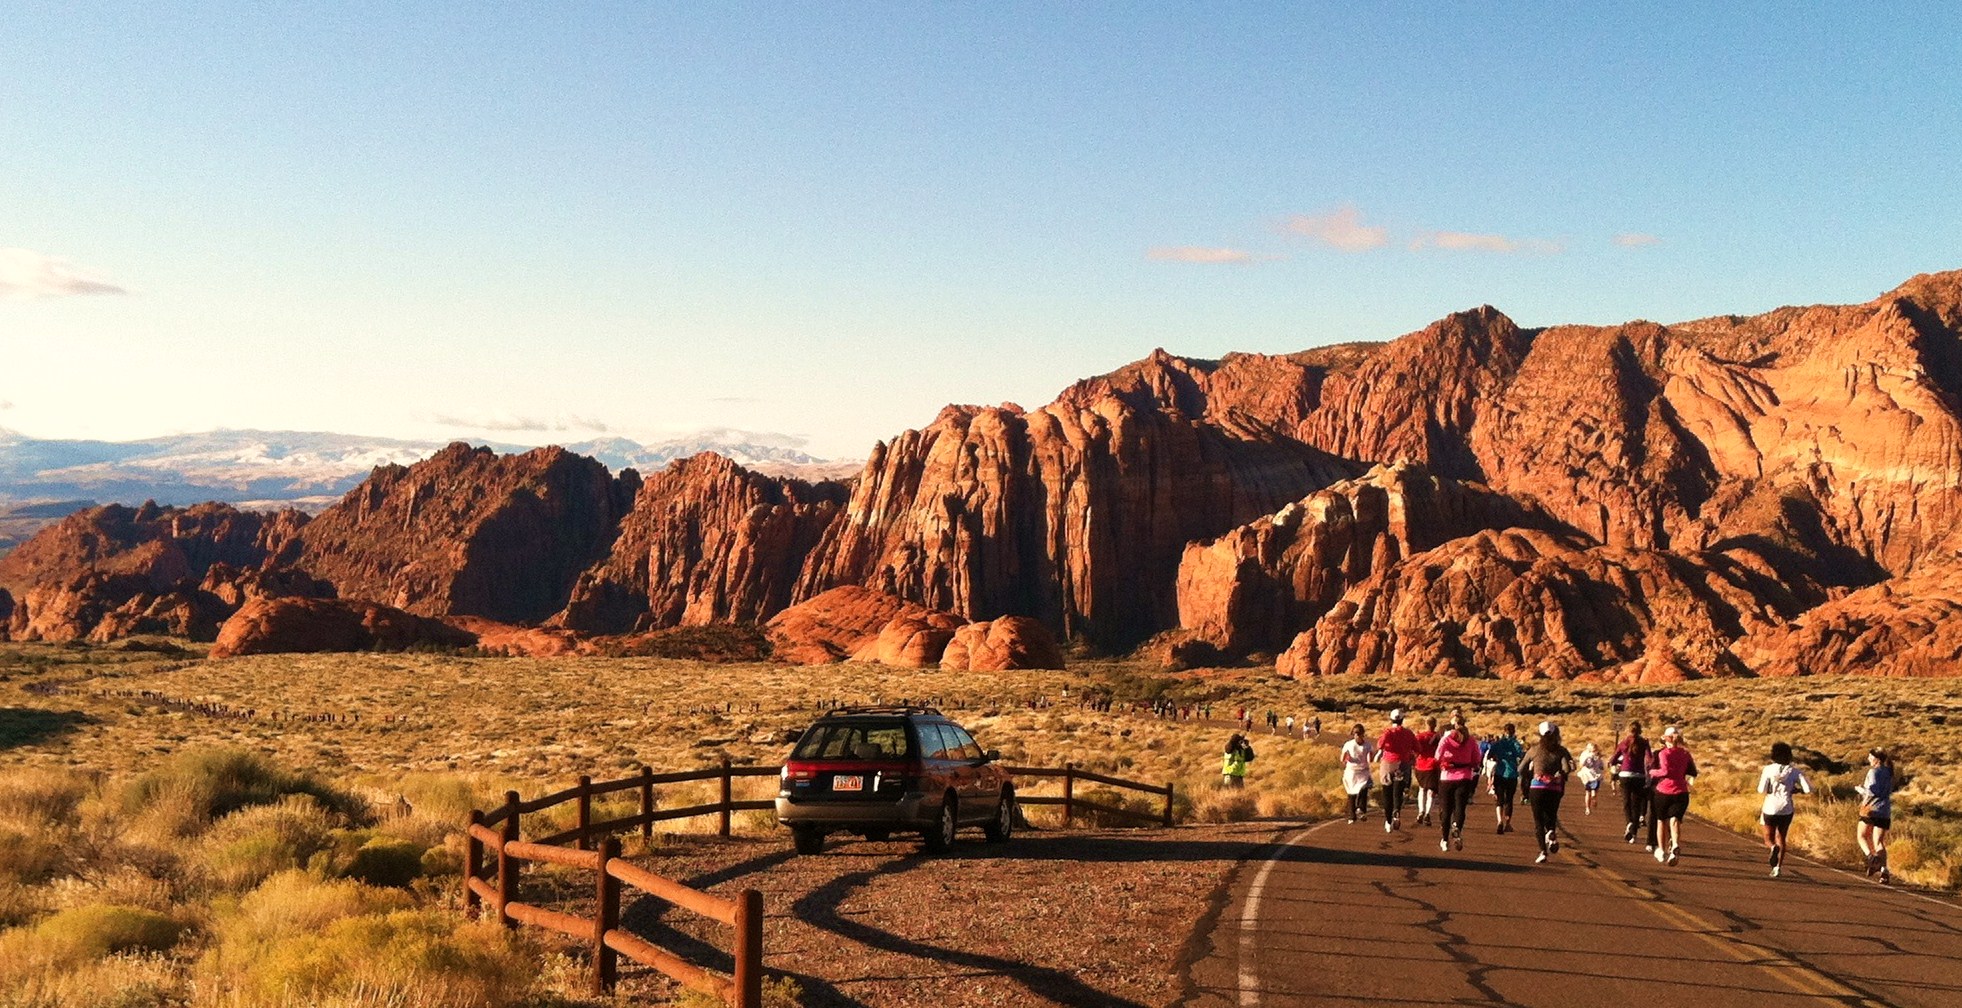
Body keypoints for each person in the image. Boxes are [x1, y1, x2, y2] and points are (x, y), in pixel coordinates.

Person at [1520, 721, 1575, 863]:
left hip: (1537, 787)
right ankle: (1551, 831)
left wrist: (1531, 775)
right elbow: (1568, 769)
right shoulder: (1561, 750)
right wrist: (1559, 774)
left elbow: (1520, 768)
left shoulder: (1534, 750)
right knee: (1551, 814)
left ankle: (1543, 851)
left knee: (1538, 821)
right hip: (1554, 788)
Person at [1756, 741, 1811, 878]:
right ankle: (1778, 868)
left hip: (1770, 806)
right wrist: (1796, 790)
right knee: (1782, 837)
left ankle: (1772, 847)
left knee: (1768, 838)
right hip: (1786, 808)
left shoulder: (1768, 770)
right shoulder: (1795, 771)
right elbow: (1808, 789)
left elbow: (1760, 789)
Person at [1647, 725, 1697, 865]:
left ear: (1666, 740)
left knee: (1661, 821)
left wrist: (1652, 772)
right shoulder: (1685, 754)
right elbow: (1693, 771)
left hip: (1663, 791)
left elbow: (1664, 772)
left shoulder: (1663, 753)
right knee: (1675, 820)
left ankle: (1662, 850)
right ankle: (1675, 844)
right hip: (1681, 791)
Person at [1434, 711, 1482, 851]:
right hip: (1465, 777)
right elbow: (1476, 759)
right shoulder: (1471, 740)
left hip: (1447, 777)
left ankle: (1444, 840)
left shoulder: (1446, 739)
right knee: (1460, 807)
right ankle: (1457, 829)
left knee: (1446, 809)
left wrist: (1445, 761)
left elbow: (1437, 756)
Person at [1374, 708, 1419, 832]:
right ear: (1402, 720)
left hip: (1388, 764)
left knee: (1387, 792)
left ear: (1391, 719)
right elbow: (1417, 747)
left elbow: (1380, 745)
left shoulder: (1388, 732)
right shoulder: (1409, 733)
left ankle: (1388, 821)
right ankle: (1397, 810)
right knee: (1398, 791)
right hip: (1403, 765)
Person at [1856, 748, 1895, 882]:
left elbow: (1872, 791)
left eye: (1870, 757)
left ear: (1876, 759)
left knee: (1861, 836)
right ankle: (1884, 871)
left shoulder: (1873, 772)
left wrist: (1860, 789)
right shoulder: (1889, 771)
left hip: (1871, 809)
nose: (1868, 759)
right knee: (1878, 842)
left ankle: (1871, 858)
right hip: (1884, 810)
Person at [1612, 722, 1652, 844]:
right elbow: (1650, 759)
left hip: (1625, 775)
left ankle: (1629, 822)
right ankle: (1633, 833)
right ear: (1640, 730)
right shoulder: (1643, 743)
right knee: (1636, 804)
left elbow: (1613, 759)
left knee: (1626, 802)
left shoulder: (1624, 742)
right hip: (1639, 776)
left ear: (1629, 730)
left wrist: (1617, 764)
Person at [1484, 723, 1525, 834]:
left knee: (1499, 799)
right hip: (1511, 774)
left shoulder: (1498, 743)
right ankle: (1507, 823)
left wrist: (1498, 757)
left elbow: (1489, 755)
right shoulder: (1516, 744)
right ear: (1513, 731)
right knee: (1509, 800)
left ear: (1504, 731)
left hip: (1499, 773)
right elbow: (1521, 755)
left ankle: (1499, 821)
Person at [1340, 724, 1375, 824]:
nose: (1357, 736)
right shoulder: (1348, 744)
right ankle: (1352, 816)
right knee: (1352, 794)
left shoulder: (1368, 745)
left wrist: (1369, 758)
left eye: (1359, 734)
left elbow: (1370, 757)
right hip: (1351, 772)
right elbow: (1342, 758)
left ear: (1363, 734)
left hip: (1363, 771)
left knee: (1363, 789)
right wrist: (1347, 759)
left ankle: (1361, 809)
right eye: (1355, 734)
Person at [1412, 716, 1442, 827]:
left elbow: (1415, 750)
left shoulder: (1420, 737)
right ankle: (1427, 813)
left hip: (1420, 766)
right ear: (1435, 725)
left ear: (1426, 724)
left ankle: (1421, 811)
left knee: (1421, 789)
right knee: (1431, 792)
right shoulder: (1438, 738)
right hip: (1432, 766)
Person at [1576, 741, 1605, 816]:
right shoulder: (1589, 755)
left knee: (1591, 792)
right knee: (1590, 792)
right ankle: (1590, 804)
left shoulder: (1593, 755)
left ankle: (1591, 803)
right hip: (1591, 776)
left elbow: (1601, 765)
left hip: (1592, 776)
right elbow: (1581, 764)